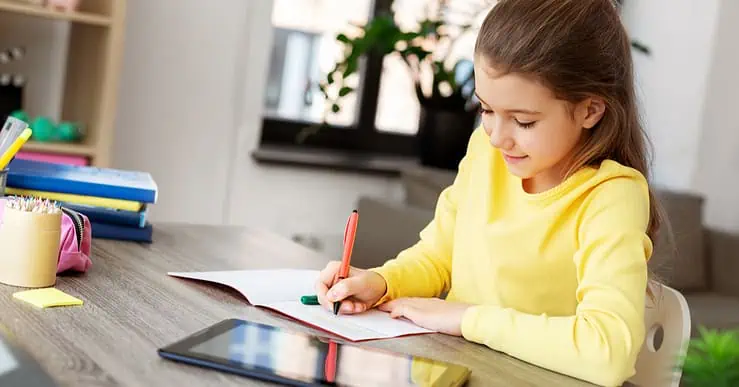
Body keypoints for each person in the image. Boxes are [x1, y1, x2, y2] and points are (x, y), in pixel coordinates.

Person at [315, 0, 665, 385]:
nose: (498, 137)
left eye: (523, 121)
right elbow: (437, 257)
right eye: (485, 110)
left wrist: (466, 319)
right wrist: (380, 283)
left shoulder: (611, 196)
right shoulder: (486, 154)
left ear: (590, 111)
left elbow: (608, 352)